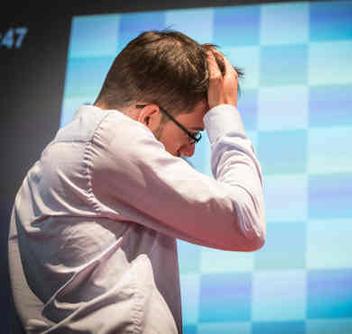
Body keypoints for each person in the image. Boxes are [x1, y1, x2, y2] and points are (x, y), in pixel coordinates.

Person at [8, 30, 265, 334]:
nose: (191, 149)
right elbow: (245, 222)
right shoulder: (109, 138)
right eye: (193, 132)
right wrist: (224, 114)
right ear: (148, 118)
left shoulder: (44, 169)